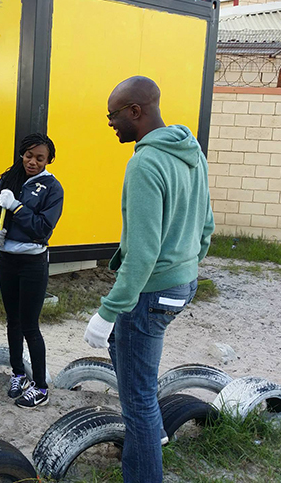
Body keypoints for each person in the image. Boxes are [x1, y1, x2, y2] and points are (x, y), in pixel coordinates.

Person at [83, 76, 215, 483]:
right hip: (183, 284)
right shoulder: (192, 153)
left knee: (137, 399)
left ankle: (144, 465)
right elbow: (207, 227)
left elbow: (141, 255)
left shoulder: (145, 164)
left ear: (135, 112)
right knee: (122, 347)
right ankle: (153, 432)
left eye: (113, 116)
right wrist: (185, 269)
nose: (110, 124)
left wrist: (107, 311)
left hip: (152, 291)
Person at [0, 133, 64, 409]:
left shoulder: (53, 188)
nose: (32, 162)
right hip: (7, 260)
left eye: (39, 158)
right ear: (22, 154)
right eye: (29, 156)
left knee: (30, 325)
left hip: (33, 263)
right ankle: (17, 373)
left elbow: (42, 228)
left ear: (48, 160)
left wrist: (17, 207)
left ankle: (40, 387)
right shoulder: (7, 182)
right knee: (12, 321)